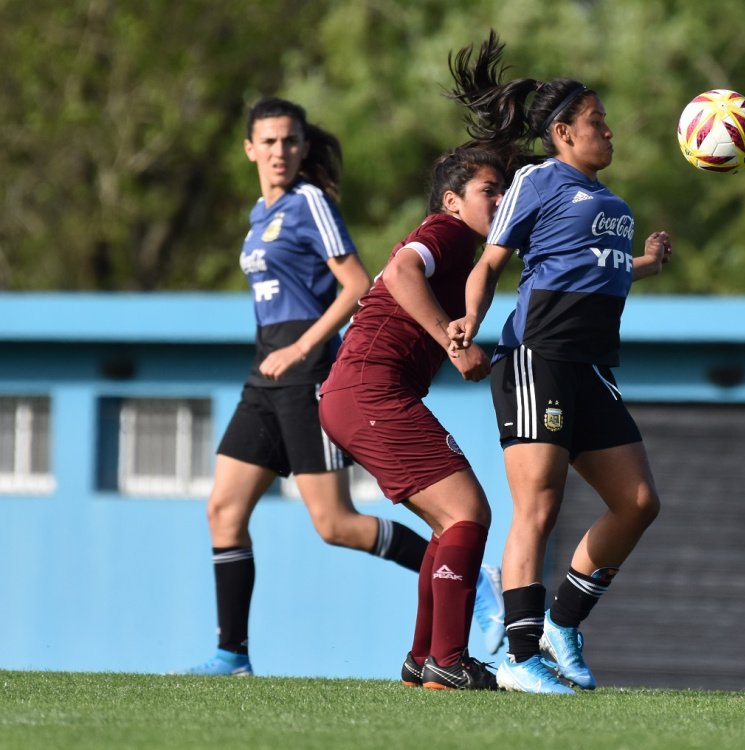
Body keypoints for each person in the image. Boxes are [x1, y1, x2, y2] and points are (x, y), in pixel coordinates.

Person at [178, 97, 504, 677]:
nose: (280, 151)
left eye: (290, 141)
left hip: (312, 375)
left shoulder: (310, 203)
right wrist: (456, 346)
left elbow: (356, 282)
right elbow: (398, 273)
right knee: (223, 510)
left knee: (338, 523)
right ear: (249, 149)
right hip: (301, 378)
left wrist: (304, 348)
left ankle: (442, 636)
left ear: (303, 148)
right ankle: (233, 654)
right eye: (269, 141)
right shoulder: (262, 216)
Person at [445, 33, 671, 694]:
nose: (609, 132)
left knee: (638, 502)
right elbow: (491, 263)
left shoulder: (615, 208)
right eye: (597, 122)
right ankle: (519, 658)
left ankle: (562, 624)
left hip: (593, 367)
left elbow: (596, 271)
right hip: (535, 360)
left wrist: (648, 265)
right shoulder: (537, 182)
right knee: (538, 507)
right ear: (563, 132)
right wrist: (468, 325)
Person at [318, 143, 525, 690]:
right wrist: (453, 346)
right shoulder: (448, 231)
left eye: (504, 190)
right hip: (370, 390)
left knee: (448, 521)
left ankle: (423, 658)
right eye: (489, 191)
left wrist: (640, 261)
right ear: (453, 201)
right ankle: (449, 662)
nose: (500, 199)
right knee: (468, 512)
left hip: (357, 394)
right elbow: (401, 269)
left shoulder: (473, 249)